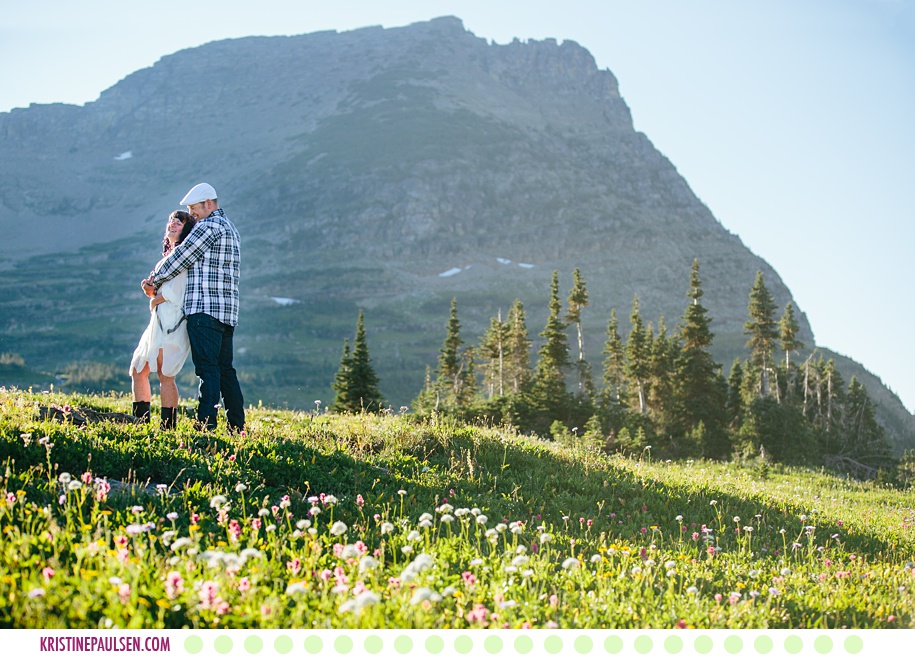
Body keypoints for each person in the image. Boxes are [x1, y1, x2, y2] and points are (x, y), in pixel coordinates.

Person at [142, 183, 245, 433]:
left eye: (193, 208)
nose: (191, 214)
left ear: (208, 204)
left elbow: (181, 257)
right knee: (225, 370)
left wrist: (153, 279)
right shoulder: (230, 227)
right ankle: (237, 426)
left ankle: (205, 425)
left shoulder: (208, 226)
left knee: (206, 370)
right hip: (227, 312)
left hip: (204, 309)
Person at [129, 210, 196, 429]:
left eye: (180, 221)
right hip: (159, 321)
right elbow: (162, 290)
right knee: (139, 368)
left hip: (172, 322)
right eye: (171, 221)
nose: (173, 223)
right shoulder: (169, 256)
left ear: (186, 229)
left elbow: (176, 293)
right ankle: (141, 423)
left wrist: (153, 300)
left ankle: (167, 428)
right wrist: (151, 290)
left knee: (165, 374)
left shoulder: (182, 255)